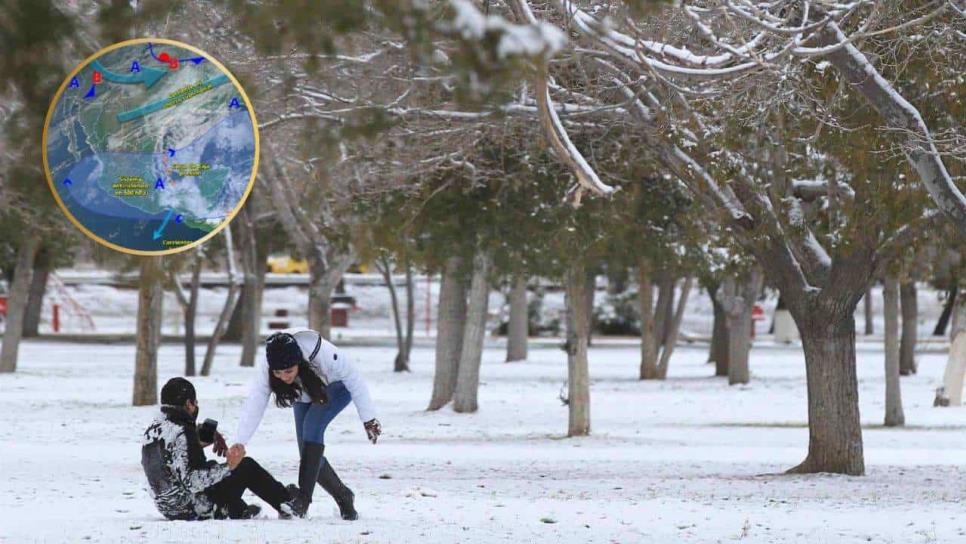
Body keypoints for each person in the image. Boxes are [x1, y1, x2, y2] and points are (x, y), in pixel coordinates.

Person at [233, 328, 382, 519]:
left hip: (337, 387)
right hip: (304, 393)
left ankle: (302, 501)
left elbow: (354, 379)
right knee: (308, 452)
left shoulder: (322, 353)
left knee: (312, 429)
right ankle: (343, 496)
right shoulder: (268, 365)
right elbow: (256, 400)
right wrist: (240, 441)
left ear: (300, 363)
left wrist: (369, 419)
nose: (284, 377)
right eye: (278, 373)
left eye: (289, 371)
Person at [141, 377, 297, 520]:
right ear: (189, 404)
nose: (196, 407)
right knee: (245, 466)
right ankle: (288, 503)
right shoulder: (182, 432)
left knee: (211, 467)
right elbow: (191, 481)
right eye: (195, 403)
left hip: (168, 508)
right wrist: (229, 465)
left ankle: (236, 509)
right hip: (192, 508)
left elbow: (170, 464)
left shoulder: (153, 430)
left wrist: (197, 441)